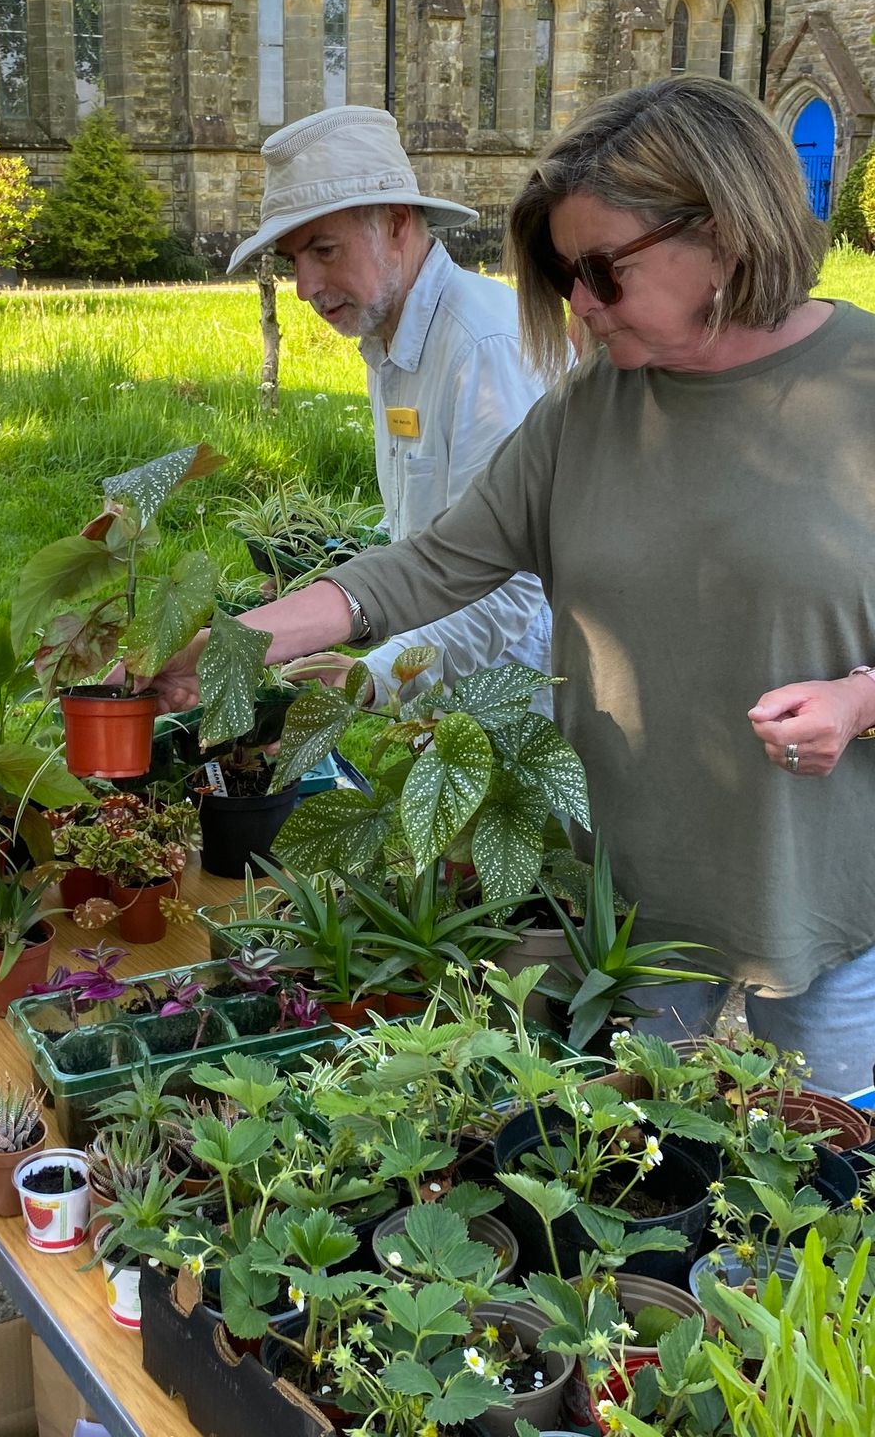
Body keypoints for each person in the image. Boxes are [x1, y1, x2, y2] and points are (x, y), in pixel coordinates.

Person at [154, 76, 875, 1097]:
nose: (577, 302)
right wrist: (238, 638)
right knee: (618, 1188)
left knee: (822, 1210)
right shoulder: (591, 412)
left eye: (599, 270)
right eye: (559, 270)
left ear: (718, 230)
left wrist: (860, 700)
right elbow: (431, 565)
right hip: (626, 911)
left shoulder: (862, 387)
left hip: (832, 905)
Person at [227, 105, 551, 707]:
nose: (304, 287)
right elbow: (427, 532)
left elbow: (511, 585)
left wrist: (373, 677)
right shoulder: (389, 339)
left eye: (324, 250)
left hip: (525, 708)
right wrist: (307, 594)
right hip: (450, 699)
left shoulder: (484, 348)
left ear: (398, 224)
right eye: (292, 260)